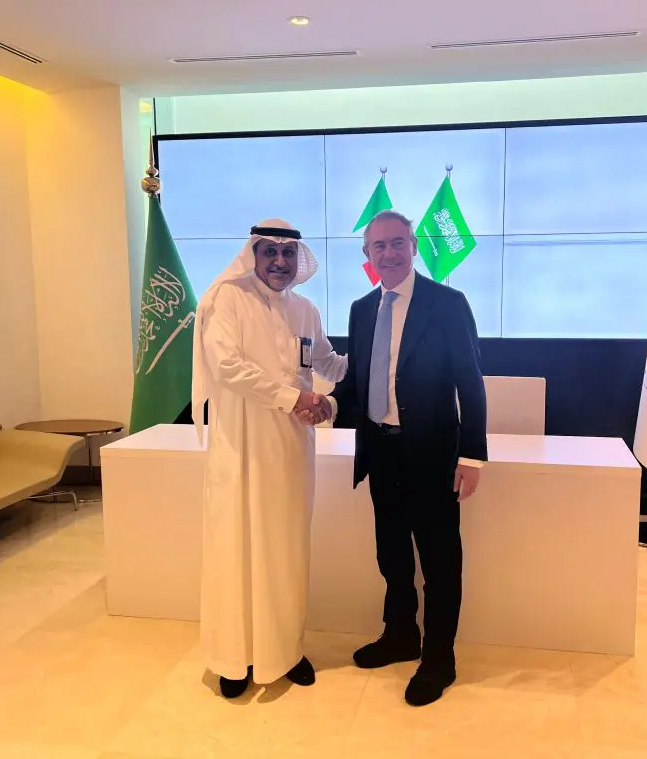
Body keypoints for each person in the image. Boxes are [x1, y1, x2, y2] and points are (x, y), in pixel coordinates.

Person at [324, 209, 487, 706]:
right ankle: (400, 635)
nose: (390, 253)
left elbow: (471, 382)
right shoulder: (361, 309)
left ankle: (439, 659)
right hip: (380, 452)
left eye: (398, 243)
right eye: (379, 245)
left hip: (433, 455)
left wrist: (472, 455)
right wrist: (328, 405)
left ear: (414, 247)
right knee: (391, 554)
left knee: (439, 562)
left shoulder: (447, 303)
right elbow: (357, 382)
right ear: (367, 255)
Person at [191, 218, 345, 699]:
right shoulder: (228, 299)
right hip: (241, 449)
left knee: (286, 552)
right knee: (235, 551)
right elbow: (227, 367)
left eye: (288, 253)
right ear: (253, 255)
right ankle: (233, 658)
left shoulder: (306, 310)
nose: (280, 262)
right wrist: (295, 398)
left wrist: (377, 355)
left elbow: (327, 364)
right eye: (270, 252)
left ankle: (285, 652)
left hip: (291, 451)